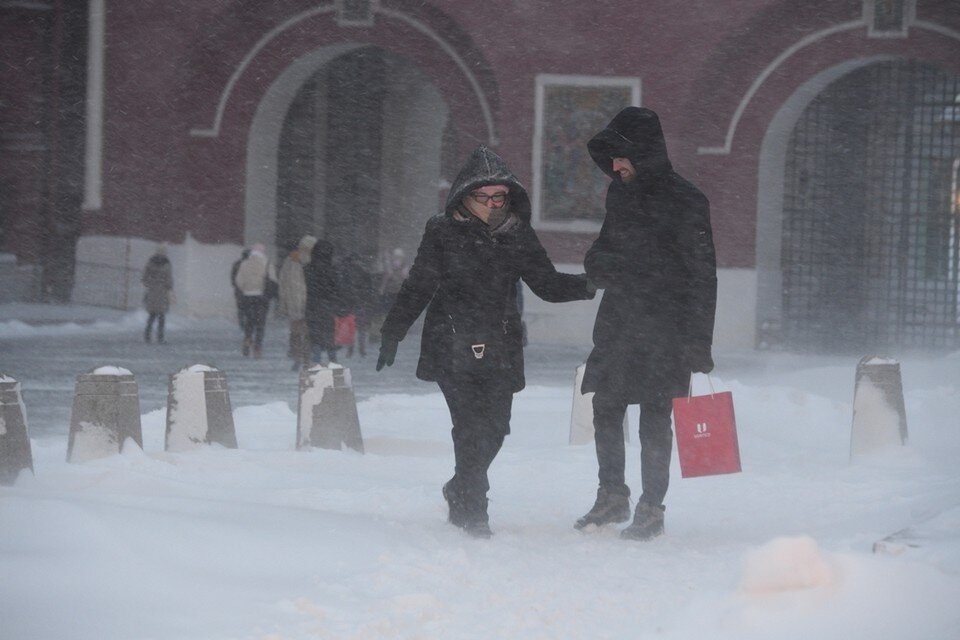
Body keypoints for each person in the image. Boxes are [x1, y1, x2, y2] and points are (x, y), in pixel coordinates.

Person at [376, 145, 595, 538]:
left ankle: (460, 484)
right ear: (465, 195)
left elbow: (546, 284)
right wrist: (393, 330)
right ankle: (473, 507)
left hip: (501, 344)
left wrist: (591, 283)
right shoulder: (441, 231)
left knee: (496, 427)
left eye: (500, 196)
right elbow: (419, 285)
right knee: (469, 426)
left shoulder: (517, 233)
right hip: (451, 341)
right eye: (484, 196)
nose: (493, 204)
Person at [575, 107, 717, 540]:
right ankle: (612, 496)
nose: (615, 167)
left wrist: (698, 341)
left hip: (666, 329)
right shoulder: (620, 195)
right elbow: (601, 250)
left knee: (655, 418)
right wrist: (601, 266)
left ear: (645, 153)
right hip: (620, 325)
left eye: (622, 157)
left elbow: (702, 275)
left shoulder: (688, 201)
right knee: (605, 407)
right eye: (612, 159)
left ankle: (651, 508)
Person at [278, 235, 317, 370]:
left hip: (294, 302)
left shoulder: (290, 260)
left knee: (296, 333)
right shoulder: (316, 262)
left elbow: (283, 284)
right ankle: (306, 359)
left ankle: (297, 358)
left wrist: (284, 303)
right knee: (307, 334)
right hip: (310, 303)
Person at [232, 242, 278, 358]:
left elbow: (239, 281)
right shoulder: (267, 263)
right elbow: (273, 279)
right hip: (262, 297)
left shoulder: (244, 264)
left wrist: (246, 289)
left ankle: (247, 339)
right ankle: (258, 346)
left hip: (247, 297)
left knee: (249, 321)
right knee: (260, 323)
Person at [304, 239, 340, 366]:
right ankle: (333, 360)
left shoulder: (308, 268)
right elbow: (337, 289)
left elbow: (306, 287)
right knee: (329, 334)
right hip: (328, 306)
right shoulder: (333, 270)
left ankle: (316, 360)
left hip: (312, 305)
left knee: (315, 335)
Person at [336, 252, 375, 357]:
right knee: (361, 328)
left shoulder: (345, 271)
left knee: (351, 328)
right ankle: (361, 350)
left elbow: (342, 287)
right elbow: (369, 288)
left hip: (350, 303)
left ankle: (350, 350)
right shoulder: (363, 271)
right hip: (360, 302)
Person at [142, 244, 173, 344]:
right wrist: (169, 286)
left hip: (152, 291)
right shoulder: (167, 263)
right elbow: (169, 279)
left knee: (152, 315)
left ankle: (147, 336)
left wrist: (150, 283)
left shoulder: (150, 262)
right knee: (161, 317)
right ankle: (160, 337)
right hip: (162, 292)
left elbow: (144, 277)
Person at [378, 247, 408, 316]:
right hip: (390, 291)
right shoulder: (390, 267)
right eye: (396, 257)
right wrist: (382, 288)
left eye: (399, 257)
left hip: (398, 291)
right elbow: (386, 278)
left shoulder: (404, 267)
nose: (398, 259)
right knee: (387, 307)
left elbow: (405, 277)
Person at [230, 247, 250, 331]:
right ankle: (248, 324)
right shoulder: (251, 264)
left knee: (241, 308)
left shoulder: (237, 264)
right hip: (249, 290)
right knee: (249, 308)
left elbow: (233, 277)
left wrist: (236, 285)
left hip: (239, 290)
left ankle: (242, 323)